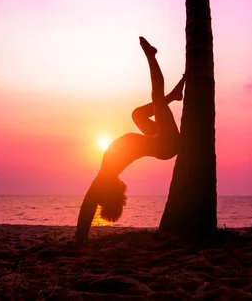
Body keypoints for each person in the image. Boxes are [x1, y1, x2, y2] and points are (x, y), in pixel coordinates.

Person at [75, 36, 184, 244]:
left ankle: (174, 95)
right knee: (157, 98)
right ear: (107, 194)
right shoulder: (108, 172)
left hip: (158, 140)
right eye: (104, 200)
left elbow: (90, 203)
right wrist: (79, 239)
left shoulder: (107, 172)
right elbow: (89, 204)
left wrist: (79, 239)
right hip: (166, 142)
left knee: (137, 115)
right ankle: (152, 56)